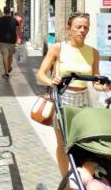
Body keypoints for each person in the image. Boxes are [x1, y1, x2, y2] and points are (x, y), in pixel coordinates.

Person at [35, 12, 111, 176]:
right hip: (63, 97)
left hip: (83, 99)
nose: (82, 30)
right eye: (78, 27)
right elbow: (40, 74)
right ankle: (66, 180)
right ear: (69, 28)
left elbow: (95, 84)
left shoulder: (93, 52)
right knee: (63, 144)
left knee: (83, 141)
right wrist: (51, 81)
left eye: (85, 27)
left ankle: (82, 175)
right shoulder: (58, 48)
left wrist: (106, 87)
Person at [0, 6, 21, 78]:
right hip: (12, 41)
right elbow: (18, 30)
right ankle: (8, 68)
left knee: (5, 56)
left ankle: (6, 72)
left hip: (2, 41)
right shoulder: (14, 20)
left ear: (4, 11)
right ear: (10, 12)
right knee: (10, 56)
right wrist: (19, 39)